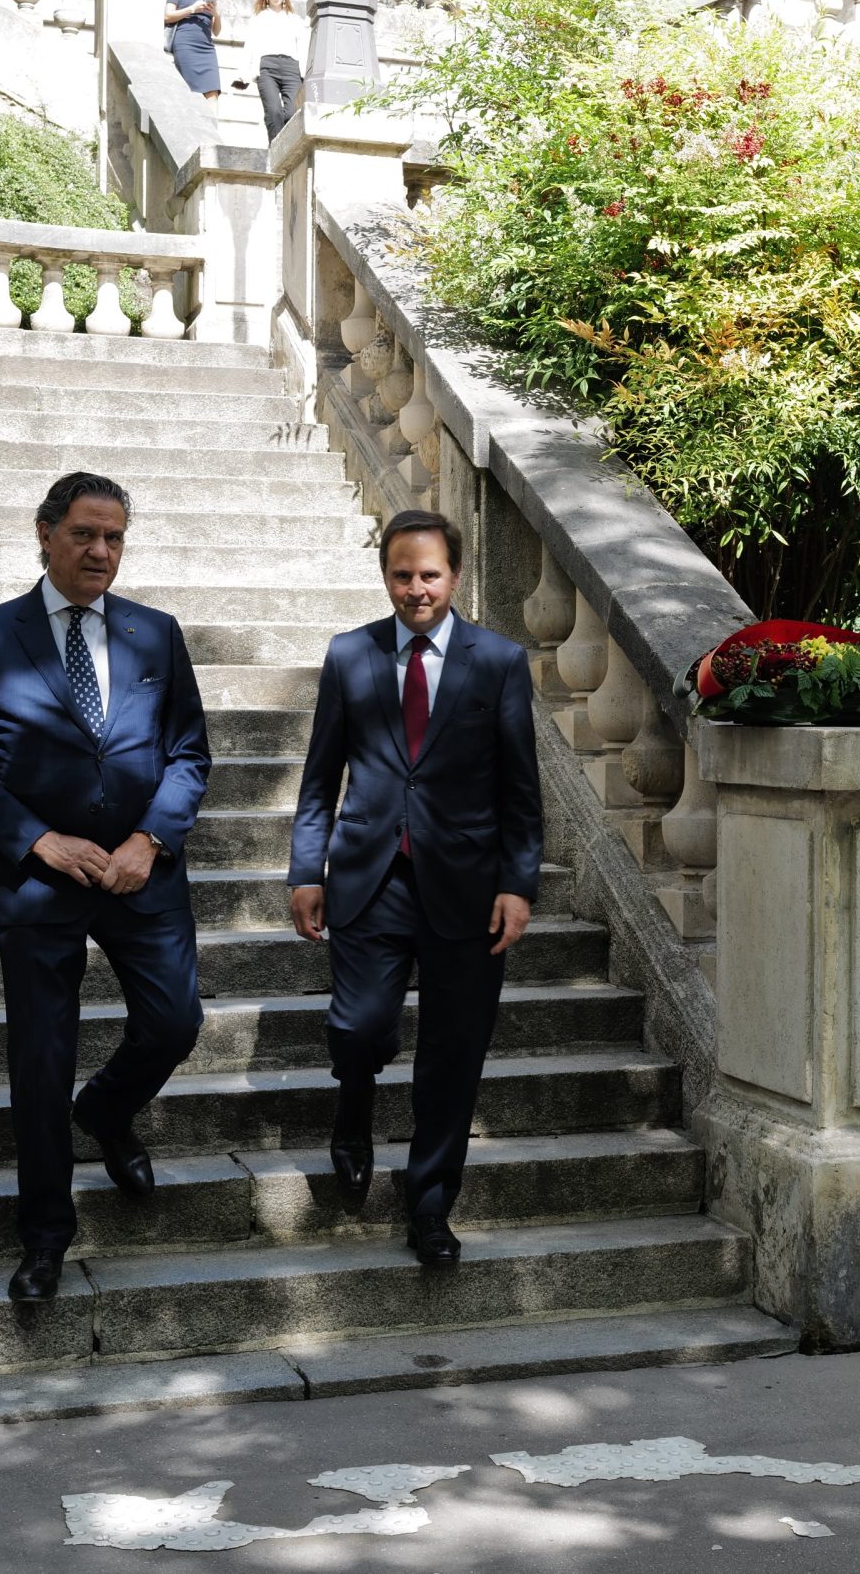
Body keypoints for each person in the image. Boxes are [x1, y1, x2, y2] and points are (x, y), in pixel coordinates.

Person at [0, 472, 211, 1302]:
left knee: (175, 1023)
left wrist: (150, 839)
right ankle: (46, 1237)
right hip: (39, 883)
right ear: (45, 533)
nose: (101, 551)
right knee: (41, 1064)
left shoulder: (156, 634)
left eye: (114, 537)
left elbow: (189, 753)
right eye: (85, 534)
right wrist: (38, 840)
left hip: (139, 874)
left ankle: (109, 1111)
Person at [287, 509, 543, 1268]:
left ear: (454, 577)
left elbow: (520, 788)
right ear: (385, 576)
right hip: (369, 879)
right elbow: (319, 777)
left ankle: (430, 1206)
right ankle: (354, 1105)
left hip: (468, 888)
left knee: (453, 1056)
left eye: (430, 574)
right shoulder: (350, 654)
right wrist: (306, 870)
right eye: (402, 575)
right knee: (359, 1028)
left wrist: (518, 883)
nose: (416, 589)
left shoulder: (499, 661)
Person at [234, 0, 303, 138]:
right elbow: (250, 46)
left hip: (291, 68)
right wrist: (243, 73)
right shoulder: (259, 18)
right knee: (273, 112)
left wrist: (305, 74)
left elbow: (303, 46)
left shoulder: (295, 19)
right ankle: (276, 149)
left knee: (292, 113)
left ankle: (288, 148)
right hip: (267, 68)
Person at [164, 0, 223, 101]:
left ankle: (211, 119)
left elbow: (216, 32)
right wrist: (192, 9)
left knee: (213, 92)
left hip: (207, 48)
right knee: (192, 94)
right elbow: (167, 16)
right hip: (185, 44)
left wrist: (217, 15)